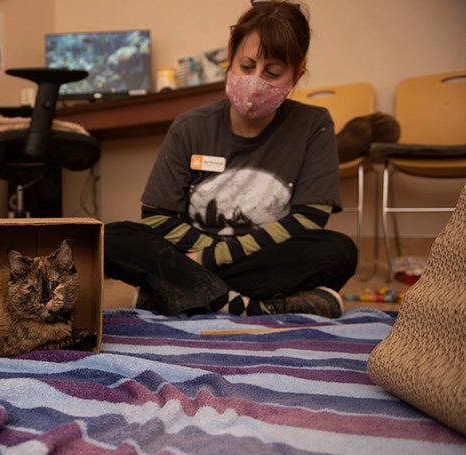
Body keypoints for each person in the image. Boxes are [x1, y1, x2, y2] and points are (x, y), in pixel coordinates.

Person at [104, 0, 358, 318]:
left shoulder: (314, 124)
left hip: (260, 254)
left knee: (338, 252)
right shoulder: (190, 126)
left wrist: (207, 262)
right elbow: (156, 216)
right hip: (195, 250)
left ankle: (172, 294)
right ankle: (253, 305)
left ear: (297, 74)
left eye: (273, 72)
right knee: (112, 239)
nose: (255, 81)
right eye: (247, 66)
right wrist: (211, 251)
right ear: (230, 58)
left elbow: (308, 219)